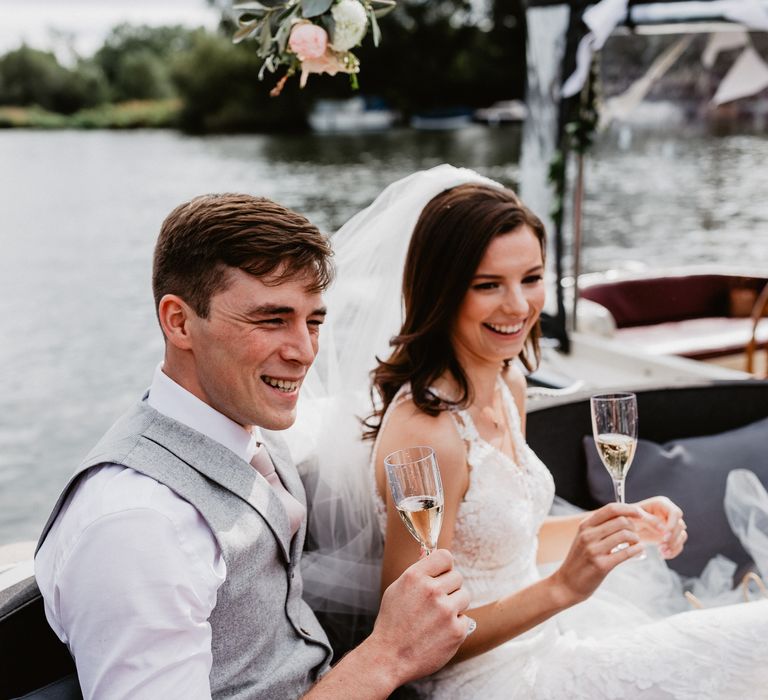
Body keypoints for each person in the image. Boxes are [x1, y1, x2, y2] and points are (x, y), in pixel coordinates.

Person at [303, 165, 768, 699]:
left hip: (556, 637)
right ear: (442, 291)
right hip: (494, 681)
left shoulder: (509, 381)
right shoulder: (426, 433)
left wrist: (614, 528)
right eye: (488, 286)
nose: (519, 306)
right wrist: (563, 587)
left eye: (531, 278)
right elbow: (414, 640)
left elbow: (507, 540)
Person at [34, 193, 473, 700]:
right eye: (271, 320)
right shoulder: (137, 524)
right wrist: (389, 654)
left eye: (313, 321)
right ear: (179, 322)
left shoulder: (247, 423)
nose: (304, 352)